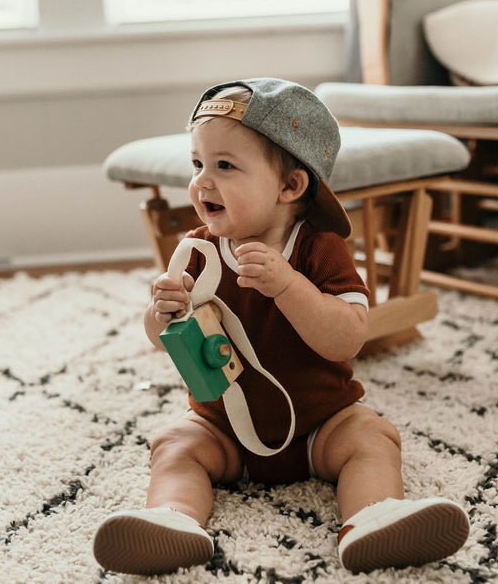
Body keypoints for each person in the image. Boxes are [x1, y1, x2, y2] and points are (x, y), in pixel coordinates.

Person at [93, 78, 469, 574]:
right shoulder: (198, 249)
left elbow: (349, 336)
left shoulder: (319, 248)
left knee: (373, 437)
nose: (203, 182)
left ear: (290, 186)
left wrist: (288, 286)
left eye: (225, 166)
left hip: (320, 421)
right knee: (175, 444)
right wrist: (160, 314)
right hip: (223, 425)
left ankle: (373, 518)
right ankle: (172, 518)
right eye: (198, 164)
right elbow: (168, 341)